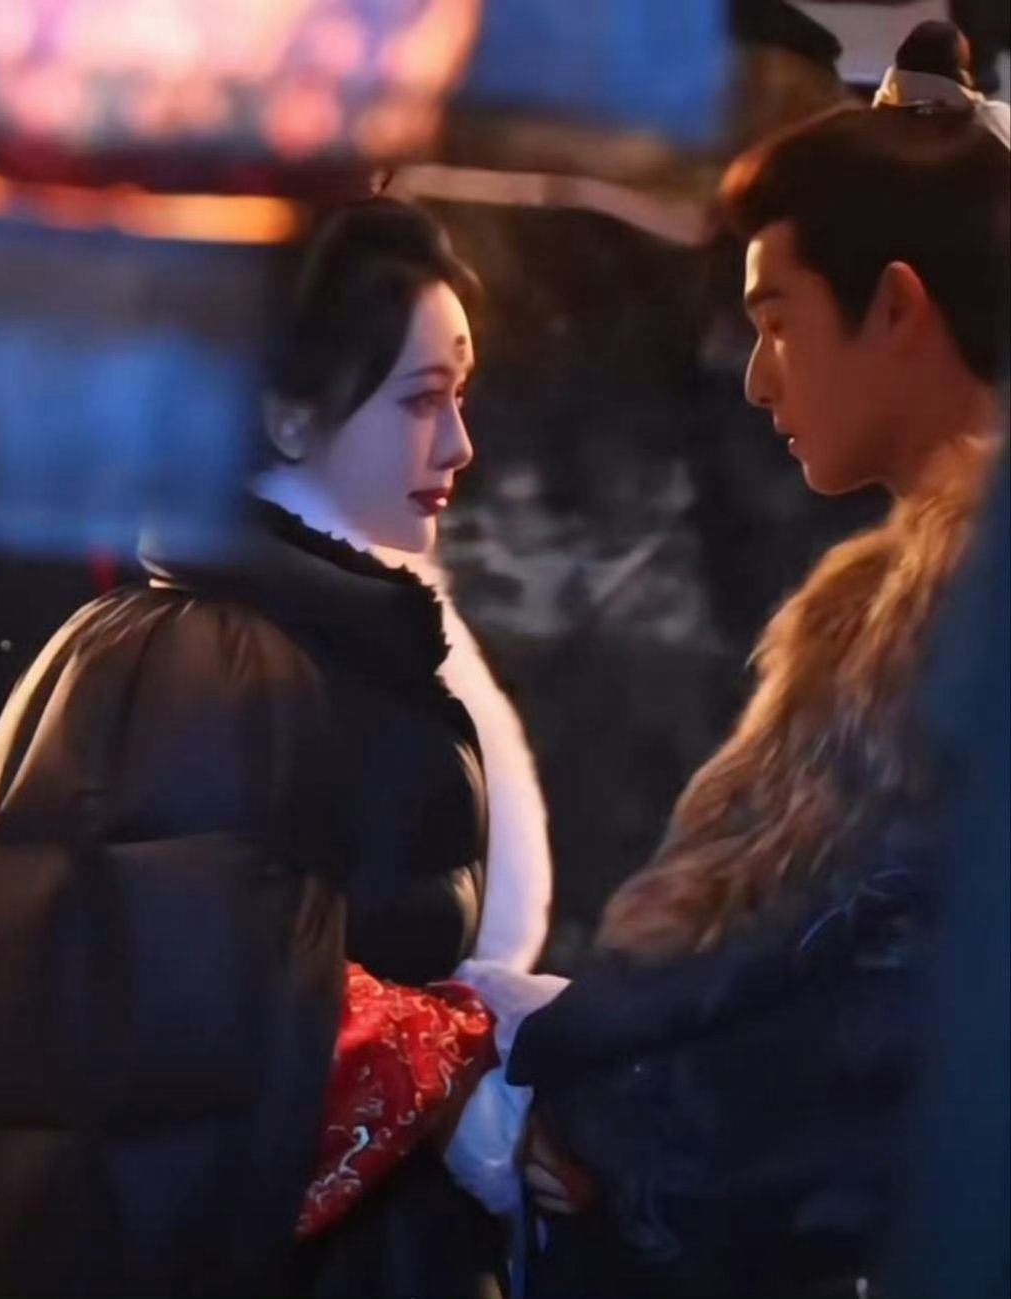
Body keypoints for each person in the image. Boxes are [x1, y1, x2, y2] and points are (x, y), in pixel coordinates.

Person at [453, 20, 1009, 1299]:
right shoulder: (887, 609)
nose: (758, 379)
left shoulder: (950, 625)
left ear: (897, 310)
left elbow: (876, 1027)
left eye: (778, 321)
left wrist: (618, 1149)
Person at [0, 198, 549, 1299]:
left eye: (461, 396)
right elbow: (193, 1042)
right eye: (422, 399)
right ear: (288, 415)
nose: (460, 443)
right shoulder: (218, 663)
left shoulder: (291, 640)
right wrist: (462, 1066)